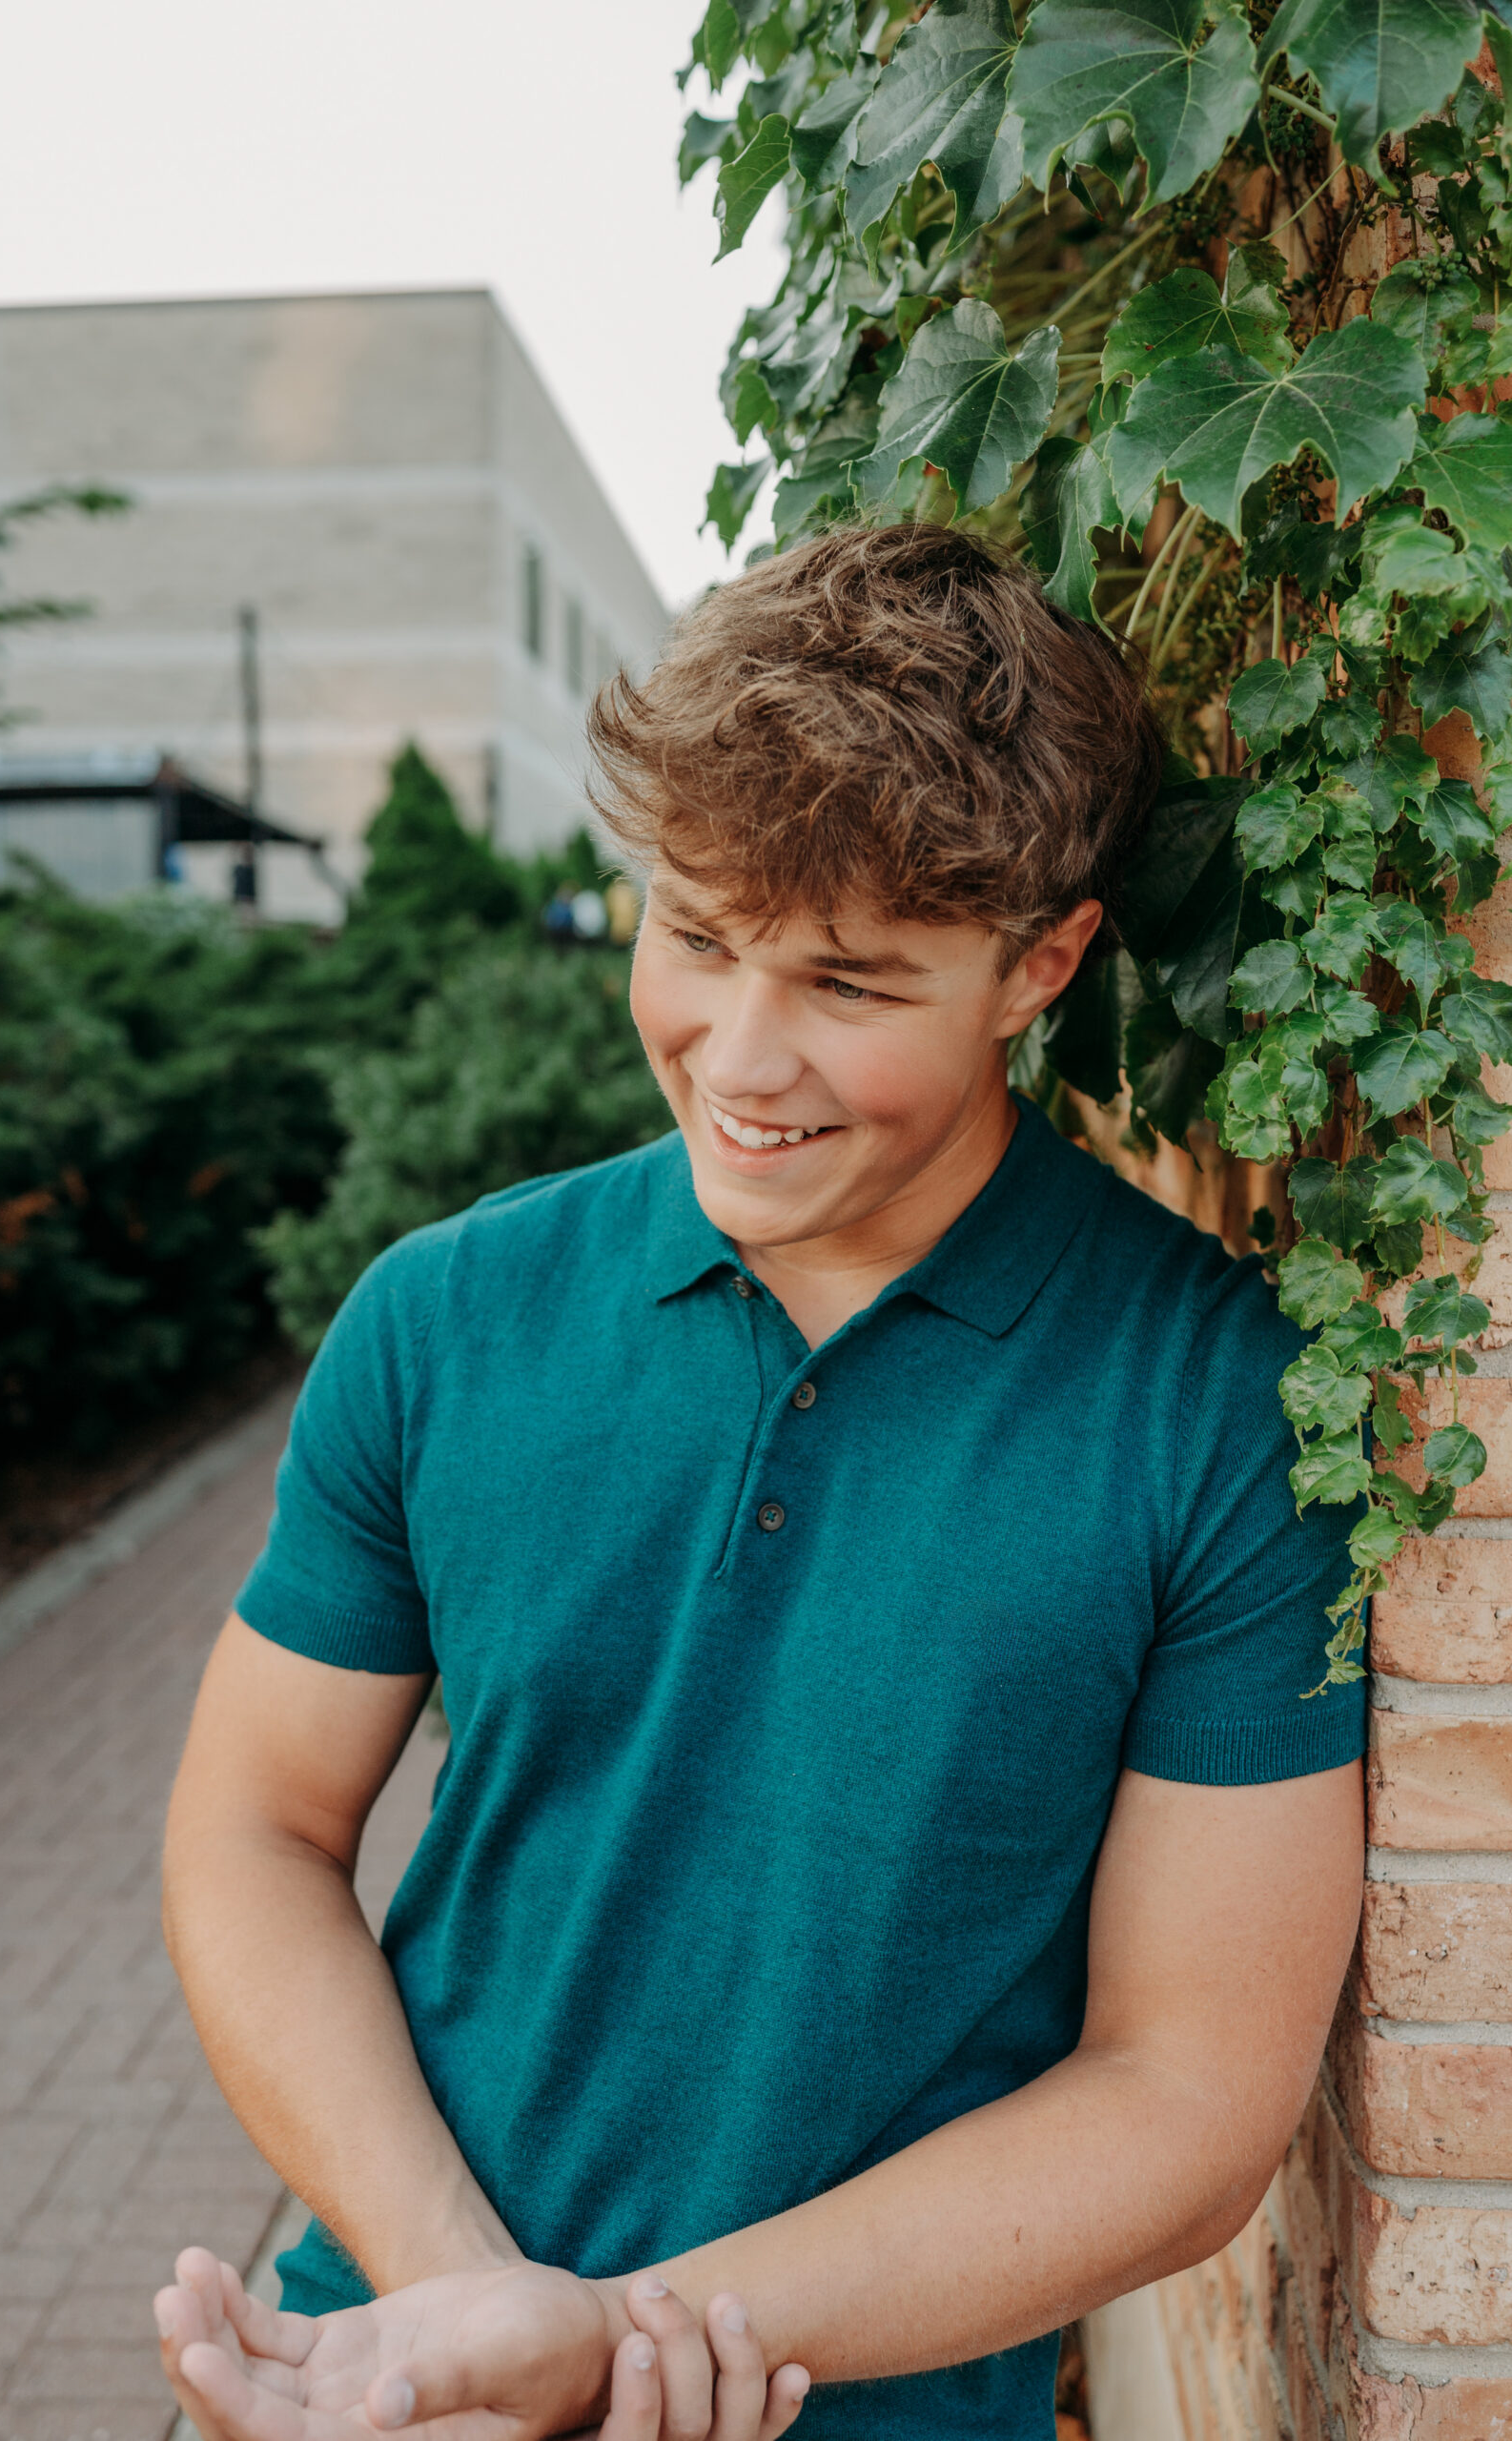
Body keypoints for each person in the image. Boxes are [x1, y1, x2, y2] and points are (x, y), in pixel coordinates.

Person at [154, 523, 1365, 2441]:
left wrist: (614, 2335)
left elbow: (1191, 2098)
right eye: (696, 935)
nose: (741, 1055)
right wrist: (451, 2284)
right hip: (382, 2353)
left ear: (1037, 962)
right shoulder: (443, 1317)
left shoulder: (1216, 1403)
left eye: (851, 983)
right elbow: (254, 1828)